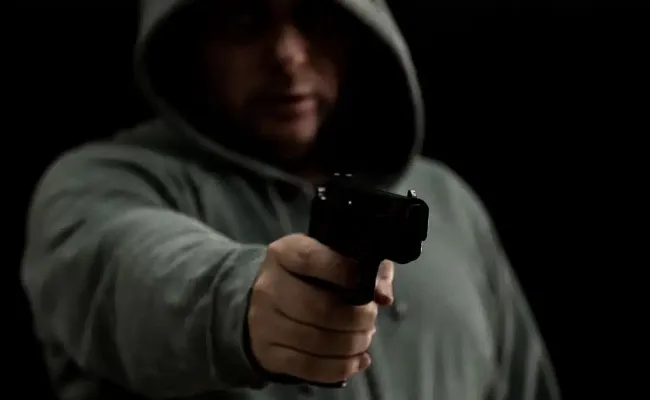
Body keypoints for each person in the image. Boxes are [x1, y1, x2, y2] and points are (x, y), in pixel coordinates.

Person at [20, 0, 561, 399]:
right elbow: (130, 270)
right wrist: (243, 300)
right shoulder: (98, 184)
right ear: (191, 39)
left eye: (317, 15)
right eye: (244, 19)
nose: (287, 54)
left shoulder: (448, 202)